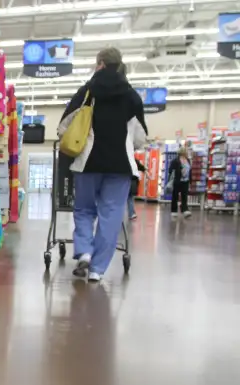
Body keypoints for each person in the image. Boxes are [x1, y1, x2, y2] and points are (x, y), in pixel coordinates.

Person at [58, 48, 147, 282]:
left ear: (99, 64)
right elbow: (140, 138)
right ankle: (97, 270)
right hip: (120, 166)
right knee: (111, 215)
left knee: (84, 209)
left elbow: (64, 127)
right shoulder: (132, 96)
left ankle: (84, 250)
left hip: (88, 162)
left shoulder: (88, 91)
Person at [167, 147, 192, 219]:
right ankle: (174, 211)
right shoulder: (175, 161)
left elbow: (190, 170)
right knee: (175, 196)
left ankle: (185, 210)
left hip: (186, 181)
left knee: (184, 196)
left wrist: (190, 180)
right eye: (186, 152)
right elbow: (170, 170)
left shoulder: (188, 160)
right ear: (183, 152)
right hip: (177, 181)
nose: (187, 153)